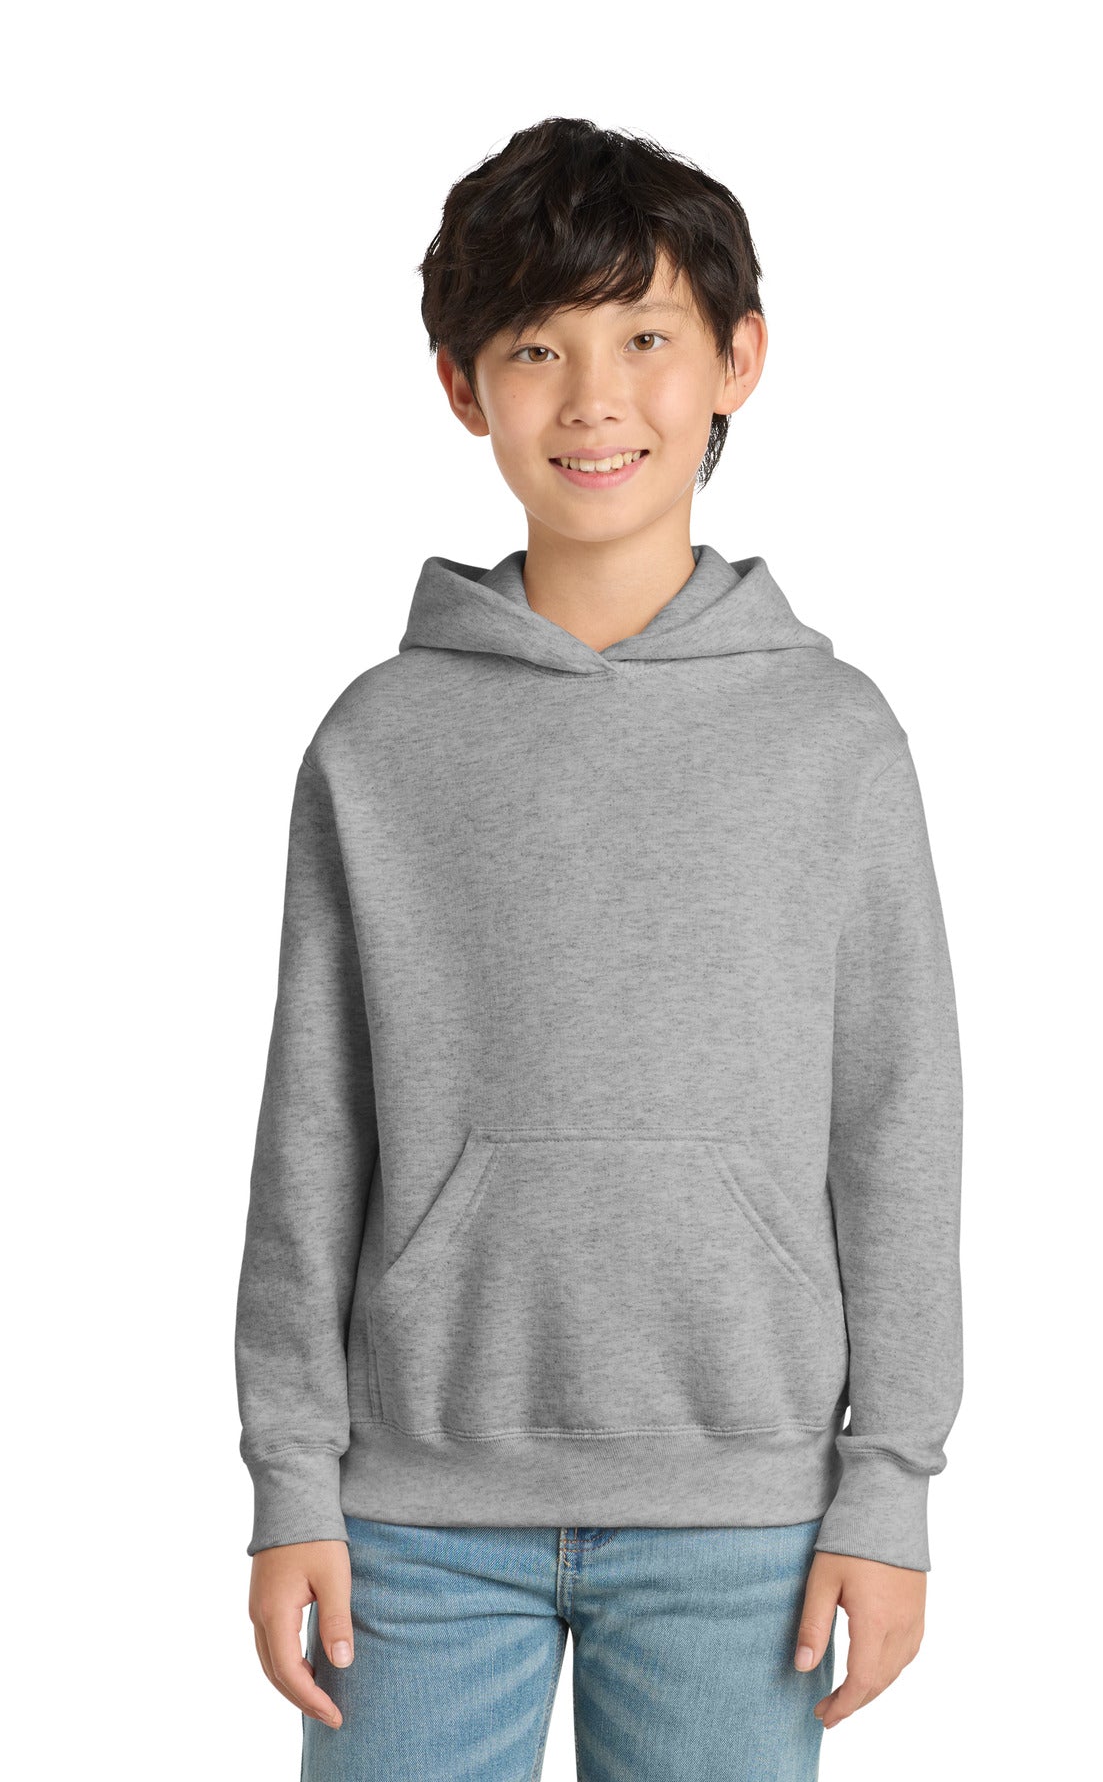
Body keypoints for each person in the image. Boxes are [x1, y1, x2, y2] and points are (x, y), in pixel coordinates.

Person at [235, 115, 964, 1780]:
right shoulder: (382, 741)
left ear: (737, 361)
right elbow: (312, 1132)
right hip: (410, 1519)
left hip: (748, 1518)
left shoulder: (835, 742)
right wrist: (290, 1480)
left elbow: (899, 1125)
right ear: (461, 385)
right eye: (536, 349)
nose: (593, 399)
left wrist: (891, 1487)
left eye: (644, 338)